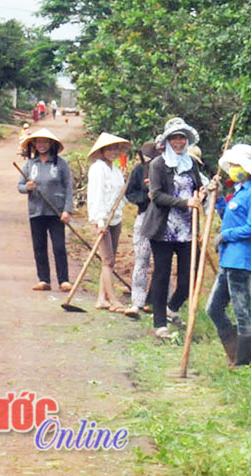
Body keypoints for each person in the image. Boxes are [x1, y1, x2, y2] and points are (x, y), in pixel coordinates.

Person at [140, 117, 205, 339]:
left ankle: (172, 307)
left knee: (189, 276)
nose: (178, 142)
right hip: (163, 229)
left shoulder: (191, 164)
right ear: (167, 141)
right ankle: (160, 323)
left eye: (182, 138)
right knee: (161, 275)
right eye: (174, 138)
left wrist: (203, 193)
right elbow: (156, 196)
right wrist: (184, 202)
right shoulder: (158, 165)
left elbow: (197, 188)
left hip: (187, 230)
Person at [205, 144, 251, 368]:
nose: (232, 168)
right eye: (230, 165)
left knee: (243, 312)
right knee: (213, 308)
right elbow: (228, 217)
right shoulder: (238, 192)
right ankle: (233, 350)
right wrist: (219, 197)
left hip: (242, 261)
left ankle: (244, 361)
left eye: (236, 165)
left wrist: (226, 235)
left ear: (247, 168)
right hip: (228, 260)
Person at [17, 128, 75, 292]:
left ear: (51, 144)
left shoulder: (60, 164)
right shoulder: (29, 164)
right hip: (36, 211)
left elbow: (68, 187)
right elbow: (19, 186)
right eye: (38, 142)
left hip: (56, 212)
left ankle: (64, 280)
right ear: (34, 145)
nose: (42, 145)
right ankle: (43, 279)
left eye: (45, 142)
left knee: (58, 246)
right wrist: (27, 187)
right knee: (39, 247)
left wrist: (67, 210)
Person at [86, 132, 133, 314]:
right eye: (110, 148)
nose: (113, 152)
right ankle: (113, 300)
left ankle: (101, 298)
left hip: (116, 219)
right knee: (107, 260)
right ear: (102, 150)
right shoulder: (98, 169)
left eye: (116, 149)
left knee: (110, 260)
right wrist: (99, 222)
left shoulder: (115, 170)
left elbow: (120, 196)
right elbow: (96, 196)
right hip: (102, 220)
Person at [124, 141, 160, 316]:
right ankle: (136, 302)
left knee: (162, 263)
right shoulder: (140, 169)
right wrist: (145, 197)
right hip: (145, 216)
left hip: (164, 219)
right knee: (141, 259)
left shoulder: (168, 168)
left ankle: (156, 302)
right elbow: (130, 192)